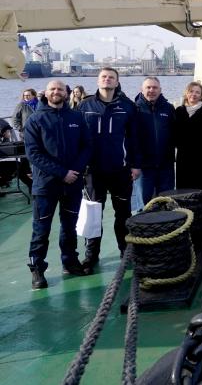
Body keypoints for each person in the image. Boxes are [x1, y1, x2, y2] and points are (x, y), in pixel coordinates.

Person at [24, 80, 92, 289]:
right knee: (41, 228)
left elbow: (86, 146)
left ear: (66, 93)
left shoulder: (76, 117)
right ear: (46, 93)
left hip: (72, 184)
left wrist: (75, 171)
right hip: (46, 185)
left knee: (69, 226)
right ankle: (37, 269)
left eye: (60, 89)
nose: (56, 92)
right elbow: (33, 153)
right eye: (52, 89)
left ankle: (70, 262)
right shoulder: (36, 119)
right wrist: (62, 173)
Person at [77, 67, 140, 269]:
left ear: (116, 82)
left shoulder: (127, 106)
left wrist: (136, 164)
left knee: (123, 213)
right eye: (104, 77)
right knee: (93, 214)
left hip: (119, 170)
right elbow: (76, 138)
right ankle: (91, 255)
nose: (107, 80)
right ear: (98, 81)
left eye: (111, 77)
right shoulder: (85, 105)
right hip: (92, 171)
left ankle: (125, 250)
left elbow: (134, 139)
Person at [175, 81, 202, 219]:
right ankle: (188, 225)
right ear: (186, 93)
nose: (194, 94)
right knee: (186, 196)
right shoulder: (179, 111)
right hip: (184, 161)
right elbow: (175, 136)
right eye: (191, 91)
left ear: (201, 96)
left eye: (197, 92)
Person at [134, 76, 176, 204]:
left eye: (155, 87)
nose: (151, 90)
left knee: (166, 203)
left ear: (160, 90)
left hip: (166, 166)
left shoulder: (168, 108)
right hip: (143, 168)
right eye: (148, 87)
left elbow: (175, 133)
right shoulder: (134, 109)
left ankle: (165, 225)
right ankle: (143, 225)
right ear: (142, 89)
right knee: (144, 204)